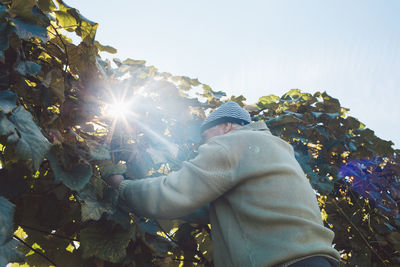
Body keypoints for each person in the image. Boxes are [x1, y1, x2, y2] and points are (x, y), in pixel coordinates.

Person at [106, 101, 341, 267]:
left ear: (227, 126)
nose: (202, 146)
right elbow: (213, 208)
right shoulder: (276, 149)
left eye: (206, 137)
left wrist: (122, 187)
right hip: (318, 260)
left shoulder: (233, 143)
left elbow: (173, 192)